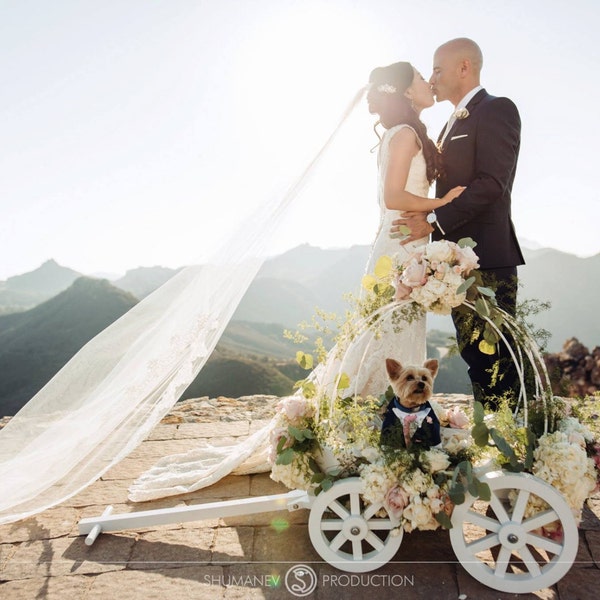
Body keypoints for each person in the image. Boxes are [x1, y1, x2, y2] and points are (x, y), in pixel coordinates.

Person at [128, 61, 465, 501]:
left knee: (388, 341)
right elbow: (393, 196)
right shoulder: (402, 135)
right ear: (403, 91)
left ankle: (387, 431)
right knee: (386, 342)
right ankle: (368, 437)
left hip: (405, 245)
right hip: (400, 248)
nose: (427, 82)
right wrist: (442, 202)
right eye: (420, 76)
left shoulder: (407, 131)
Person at [392, 38, 525, 408]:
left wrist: (433, 220)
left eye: (437, 68)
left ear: (464, 67)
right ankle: (499, 439)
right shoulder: (450, 121)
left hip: (488, 257)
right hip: (456, 261)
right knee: (475, 356)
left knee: (498, 359)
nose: (432, 78)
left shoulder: (497, 109)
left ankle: (514, 444)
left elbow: (491, 184)